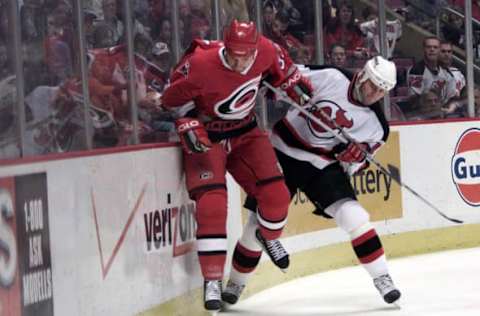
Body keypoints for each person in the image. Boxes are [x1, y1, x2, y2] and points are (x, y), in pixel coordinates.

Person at [161, 19, 313, 313]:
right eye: (233, 54)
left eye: (246, 55)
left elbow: (285, 74)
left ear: (256, 48)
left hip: (246, 132)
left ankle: (267, 237)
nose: (239, 60)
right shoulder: (201, 63)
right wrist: (187, 120)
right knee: (212, 205)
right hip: (210, 137)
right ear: (225, 46)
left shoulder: (268, 50)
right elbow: (171, 99)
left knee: (277, 196)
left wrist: (295, 88)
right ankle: (213, 280)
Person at [224, 56, 402, 306]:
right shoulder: (332, 76)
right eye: (373, 85)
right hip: (281, 148)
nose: (375, 93)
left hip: (320, 162)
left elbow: (359, 163)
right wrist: (283, 89)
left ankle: (382, 277)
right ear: (362, 75)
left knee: (355, 217)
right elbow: (286, 76)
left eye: (382, 90)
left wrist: (352, 158)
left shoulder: (377, 127)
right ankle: (235, 284)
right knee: (257, 225)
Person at [407, 36, 457, 109]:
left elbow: (452, 97)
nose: (432, 49)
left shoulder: (447, 72)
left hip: (442, 112)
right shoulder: (416, 70)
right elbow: (414, 99)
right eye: (428, 47)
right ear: (423, 49)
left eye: (435, 47)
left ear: (439, 50)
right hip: (423, 113)